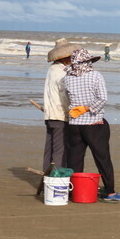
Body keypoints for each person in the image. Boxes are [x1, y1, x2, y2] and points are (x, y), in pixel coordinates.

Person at [63, 48, 120, 202]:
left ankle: (74, 191)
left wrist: (77, 109)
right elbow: (102, 98)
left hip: (74, 124)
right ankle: (110, 192)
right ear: (87, 62)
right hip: (94, 122)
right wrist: (87, 108)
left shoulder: (67, 78)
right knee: (102, 158)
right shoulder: (95, 75)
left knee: (74, 159)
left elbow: (66, 99)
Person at [42, 38, 80, 172]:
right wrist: (72, 112)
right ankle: (55, 177)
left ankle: (46, 176)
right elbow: (64, 96)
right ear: (65, 57)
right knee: (60, 150)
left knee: (49, 149)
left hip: (50, 115)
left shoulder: (52, 69)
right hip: (60, 116)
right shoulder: (61, 72)